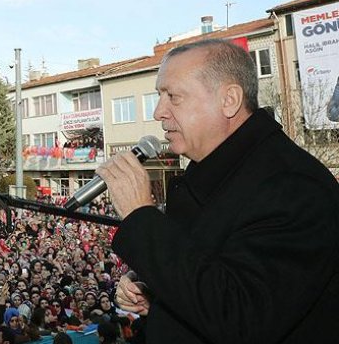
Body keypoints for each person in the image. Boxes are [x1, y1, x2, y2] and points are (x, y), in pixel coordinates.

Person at [99, 39, 339, 342]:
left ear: (229, 100)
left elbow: (241, 317)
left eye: (173, 96)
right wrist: (157, 293)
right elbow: (210, 277)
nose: (159, 112)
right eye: (160, 96)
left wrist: (141, 216)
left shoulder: (293, 187)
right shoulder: (215, 174)